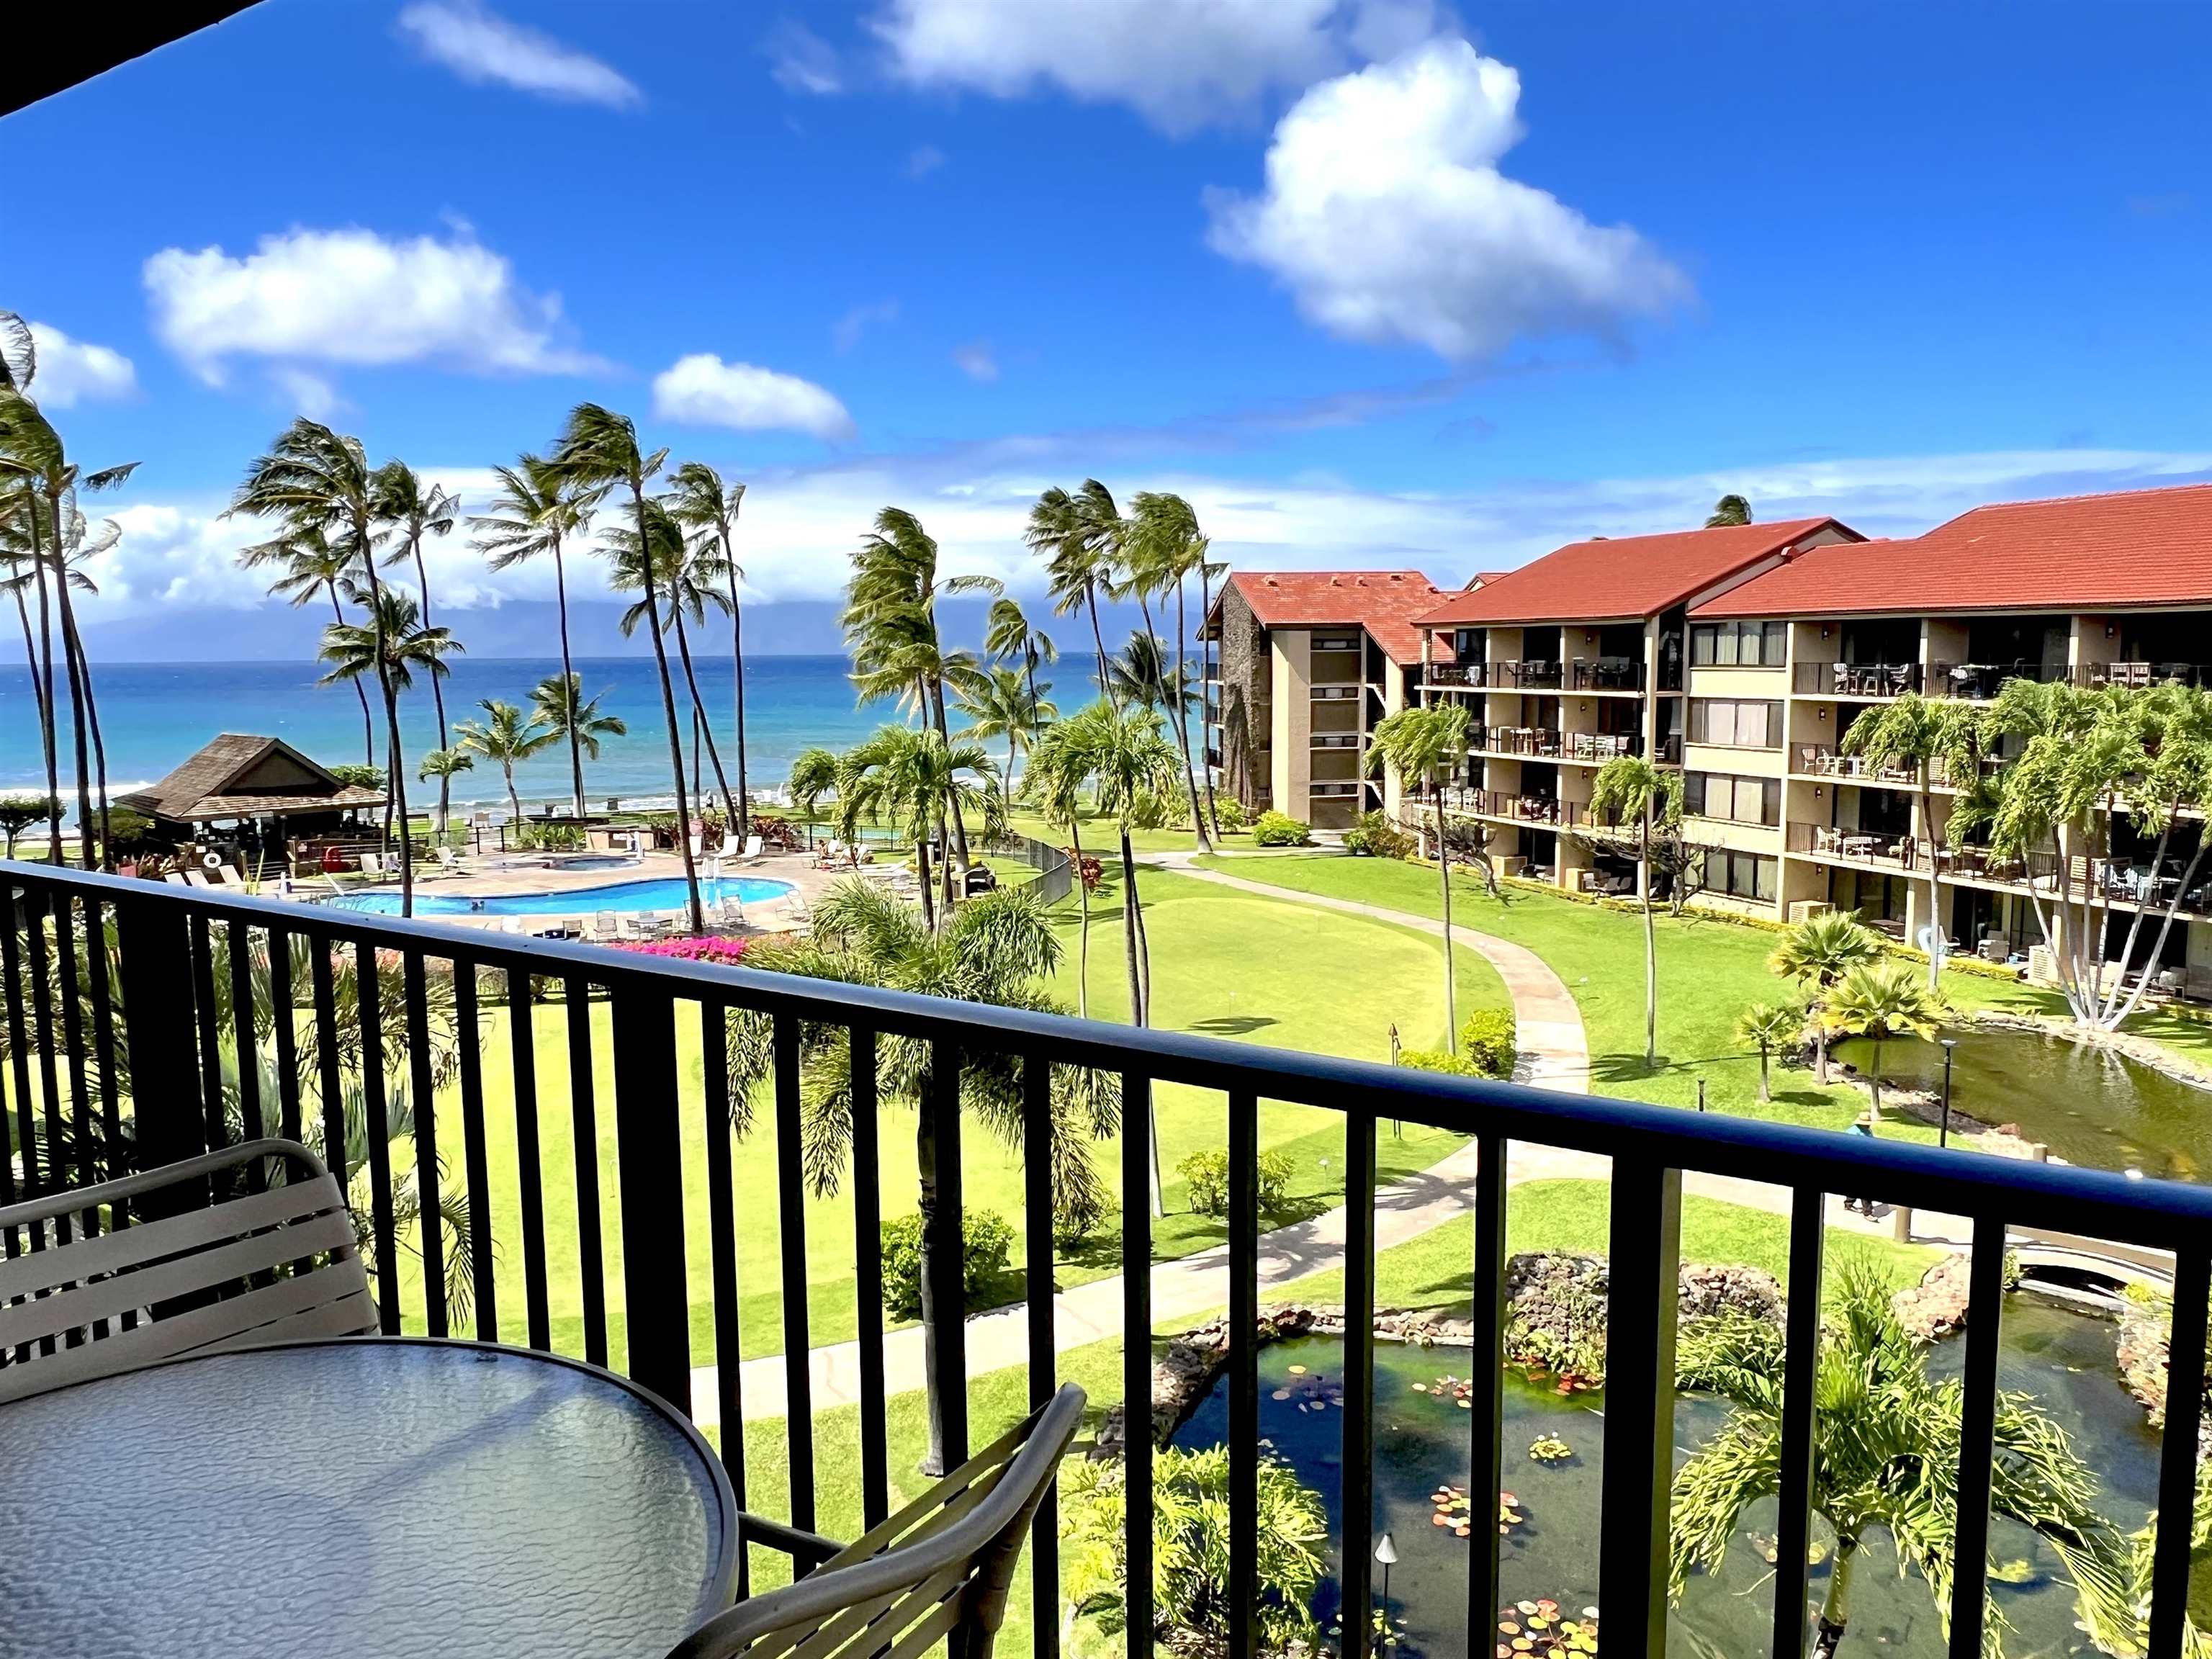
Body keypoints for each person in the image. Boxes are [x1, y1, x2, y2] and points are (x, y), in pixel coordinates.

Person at [1844, 1109, 1878, 1214]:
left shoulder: (1868, 1131)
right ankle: (1868, 1212)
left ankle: (1849, 1204)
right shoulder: (1852, 1133)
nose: (1868, 1126)